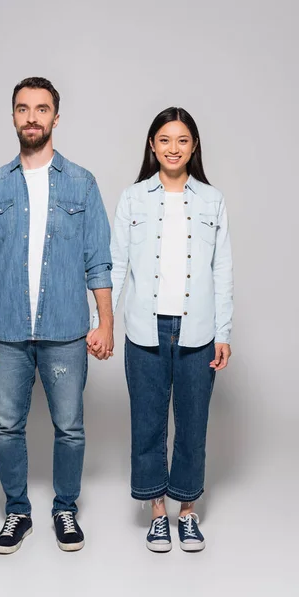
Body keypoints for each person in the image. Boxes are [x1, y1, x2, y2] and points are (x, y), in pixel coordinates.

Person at [0, 77, 114, 554]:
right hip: (7, 333)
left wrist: (106, 322)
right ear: (13, 116)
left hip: (66, 331)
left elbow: (99, 261)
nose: (32, 117)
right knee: (7, 426)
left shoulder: (82, 183)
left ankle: (64, 507)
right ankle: (17, 513)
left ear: (56, 117)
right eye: (23, 108)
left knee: (69, 427)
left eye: (42, 109)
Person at [88, 107, 233, 552]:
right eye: (165, 140)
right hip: (142, 332)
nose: (174, 148)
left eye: (183, 140)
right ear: (152, 145)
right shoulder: (133, 198)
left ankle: (186, 512)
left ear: (194, 147)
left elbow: (221, 268)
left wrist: (223, 331)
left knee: (192, 424)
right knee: (147, 424)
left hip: (198, 331)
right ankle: (156, 514)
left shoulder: (211, 200)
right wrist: (102, 324)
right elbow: (113, 264)